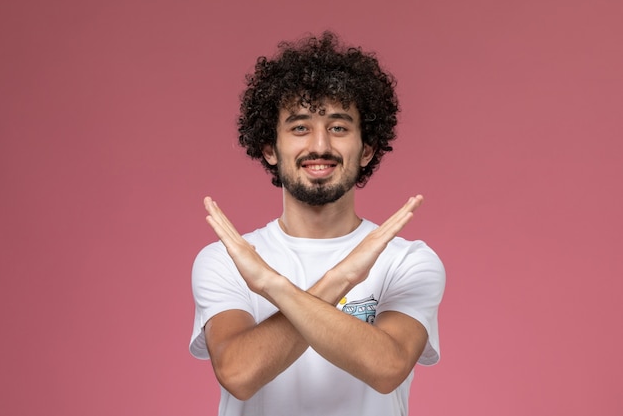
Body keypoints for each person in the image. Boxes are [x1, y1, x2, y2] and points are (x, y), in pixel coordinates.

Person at [189, 31, 445, 416]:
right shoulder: (226, 260)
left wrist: (273, 287)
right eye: (299, 127)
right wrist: (339, 280)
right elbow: (239, 374)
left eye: (339, 127)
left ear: (367, 149)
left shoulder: (408, 262)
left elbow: (387, 368)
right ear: (269, 148)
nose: (320, 146)